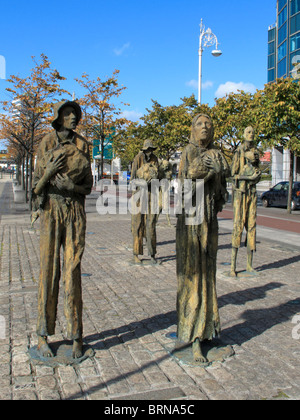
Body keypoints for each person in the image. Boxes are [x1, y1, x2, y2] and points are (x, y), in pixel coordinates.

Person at [32, 100, 93, 359]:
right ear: (59, 117)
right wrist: (49, 174)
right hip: (51, 212)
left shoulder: (83, 145)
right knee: (49, 270)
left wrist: (72, 188)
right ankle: (42, 336)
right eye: (68, 114)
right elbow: (36, 188)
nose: (72, 117)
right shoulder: (46, 142)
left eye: (74, 114)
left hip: (74, 212)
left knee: (72, 271)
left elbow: (88, 187)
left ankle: (76, 335)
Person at [176, 114, 229, 363]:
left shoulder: (217, 153)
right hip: (192, 219)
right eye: (199, 123)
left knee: (209, 273)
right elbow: (185, 189)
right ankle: (194, 337)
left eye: (208, 123)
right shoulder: (188, 151)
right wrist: (209, 175)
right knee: (194, 274)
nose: (204, 126)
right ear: (192, 129)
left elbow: (221, 197)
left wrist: (219, 180)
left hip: (209, 218)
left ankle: (208, 329)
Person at [230, 126, 261, 277]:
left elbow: (258, 172)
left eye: (253, 132)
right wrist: (249, 178)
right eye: (248, 132)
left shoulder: (256, 152)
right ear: (243, 134)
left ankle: (249, 265)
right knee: (238, 225)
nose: (251, 134)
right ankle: (232, 267)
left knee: (252, 226)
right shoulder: (239, 151)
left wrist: (256, 177)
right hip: (240, 194)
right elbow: (233, 175)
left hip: (252, 193)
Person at [130, 139, 160, 264]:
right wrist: (142, 183)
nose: (149, 153)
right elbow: (132, 180)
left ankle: (152, 254)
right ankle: (136, 254)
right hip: (138, 196)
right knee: (137, 225)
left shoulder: (155, 159)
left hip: (151, 195)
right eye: (147, 150)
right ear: (143, 150)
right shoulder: (138, 158)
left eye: (151, 150)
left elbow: (159, 177)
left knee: (151, 225)